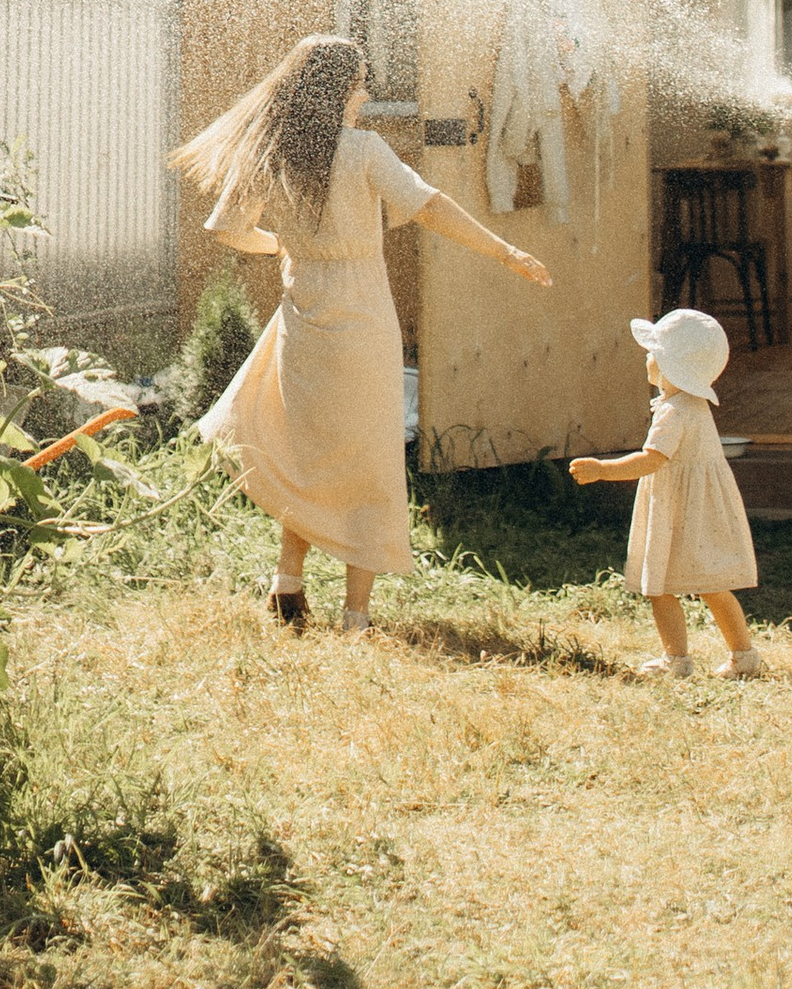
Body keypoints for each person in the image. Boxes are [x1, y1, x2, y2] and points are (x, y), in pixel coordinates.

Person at [172, 32, 552, 634]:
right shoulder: (365, 149)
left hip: (303, 315)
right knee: (369, 458)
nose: (367, 93)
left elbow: (226, 229)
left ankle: (287, 586)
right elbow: (429, 205)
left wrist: (285, 246)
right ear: (341, 92)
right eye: (361, 83)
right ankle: (356, 616)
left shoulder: (275, 152)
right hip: (363, 318)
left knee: (308, 451)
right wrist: (503, 250)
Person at [570, 306, 761, 678]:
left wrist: (602, 470)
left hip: (676, 510)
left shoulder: (673, 411)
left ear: (670, 366)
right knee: (712, 585)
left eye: (652, 354)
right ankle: (744, 656)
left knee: (659, 586)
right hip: (699, 511)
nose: (646, 360)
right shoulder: (694, 405)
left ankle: (677, 660)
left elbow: (651, 459)